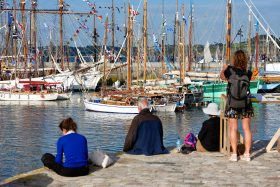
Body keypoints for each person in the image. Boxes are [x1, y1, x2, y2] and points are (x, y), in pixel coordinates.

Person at [220, 50, 254, 162]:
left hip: (232, 103)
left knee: (233, 129)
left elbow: (221, 77)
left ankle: (234, 154)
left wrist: (225, 68)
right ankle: (247, 154)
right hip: (245, 103)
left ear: (234, 59)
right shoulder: (248, 73)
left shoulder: (229, 71)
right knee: (247, 129)